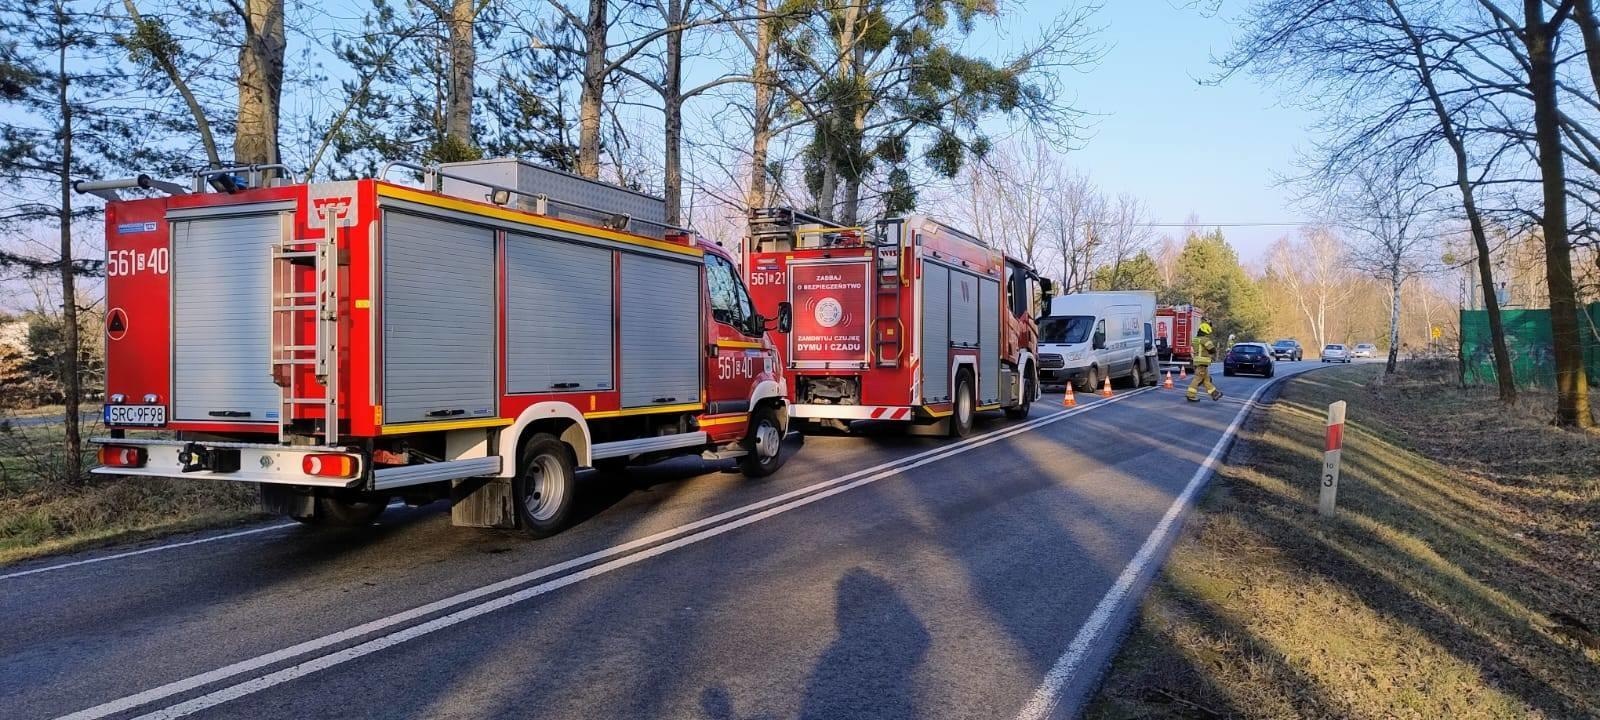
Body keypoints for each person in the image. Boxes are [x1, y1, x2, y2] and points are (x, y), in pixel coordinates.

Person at [1187, 321, 1223, 402]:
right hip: (1202, 363)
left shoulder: (1195, 339)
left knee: (1206, 379)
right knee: (1198, 379)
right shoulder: (1205, 339)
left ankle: (1215, 394)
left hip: (1197, 362)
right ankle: (1190, 395)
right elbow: (1212, 349)